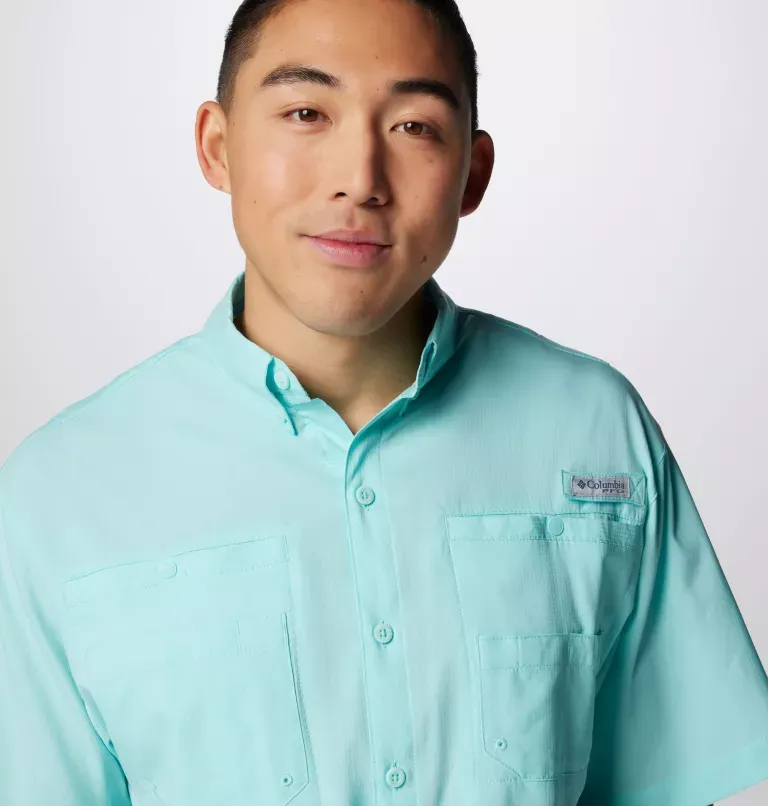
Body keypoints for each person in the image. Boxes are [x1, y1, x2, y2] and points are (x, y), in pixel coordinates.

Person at [1, 0, 766, 803]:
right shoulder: (59, 496)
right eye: (306, 113)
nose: (359, 180)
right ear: (217, 147)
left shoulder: (595, 431)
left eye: (413, 127)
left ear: (473, 173)